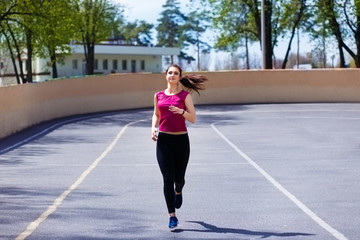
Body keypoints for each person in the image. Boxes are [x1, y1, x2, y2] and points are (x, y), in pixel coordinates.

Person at [151, 64, 208, 229]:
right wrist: (153, 127)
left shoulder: (185, 96)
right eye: (170, 73)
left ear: (179, 76)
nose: (172, 75)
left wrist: (181, 111)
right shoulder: (158, 96)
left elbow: (193, 118)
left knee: (179, 179)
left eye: (176, 73)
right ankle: (172, 216)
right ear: (166, 75)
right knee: (167, 178)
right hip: (163, 142)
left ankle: (179, 191)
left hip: (181, 141)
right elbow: (156, 114)